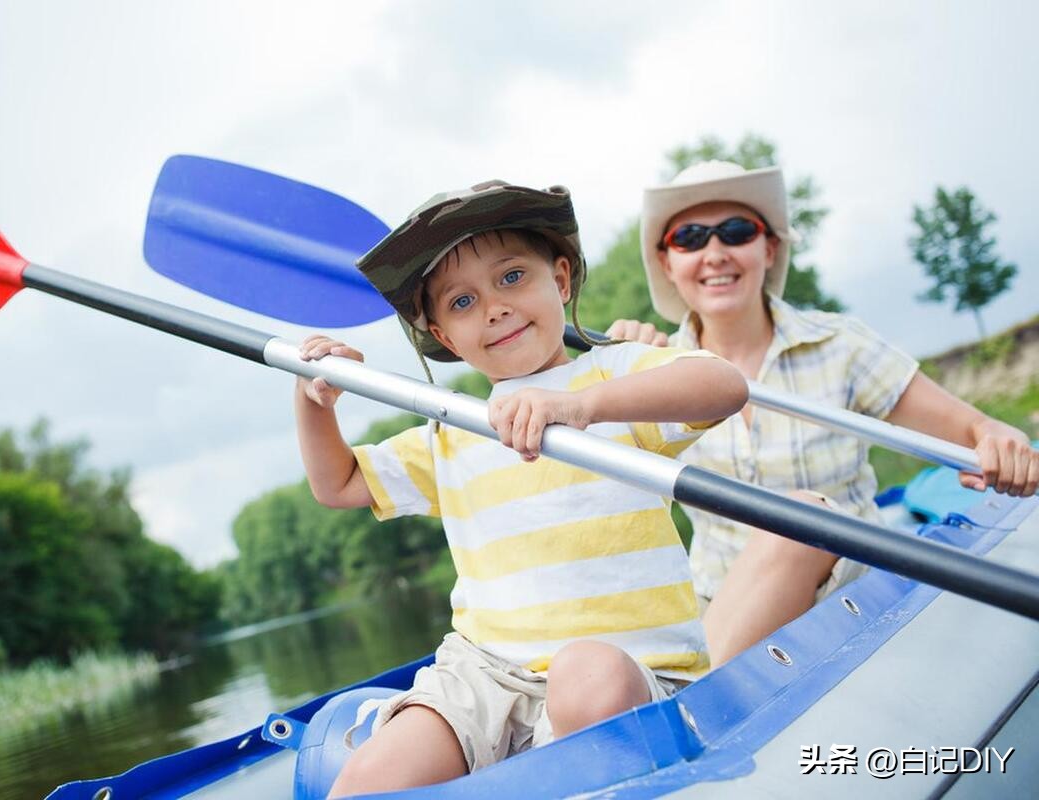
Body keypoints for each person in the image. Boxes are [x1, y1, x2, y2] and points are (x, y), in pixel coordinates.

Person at [293, 180, 749, 797]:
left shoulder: (613, 379)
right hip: (485, 672)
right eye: (461, 302)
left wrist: (583, 405)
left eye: (511, 278)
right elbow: (338, 483)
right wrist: (314, 400)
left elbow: (722, 384)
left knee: (587, 676)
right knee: (370, 779)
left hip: (627, 662)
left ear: (560, 280)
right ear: (445, 338)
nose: (494, 308)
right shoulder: (449, 426)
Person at [606, 160, 1039, 667]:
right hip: (718, 606)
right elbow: (604, 511)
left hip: (850, 598)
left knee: (800, 517)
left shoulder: (841, 345)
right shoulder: (651, 373)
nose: (716, 253)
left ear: (768, 248)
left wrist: (999, 440)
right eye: (691, 238)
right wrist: (616, 379)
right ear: (666, 263)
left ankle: (698, 706)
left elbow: (974, 430)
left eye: (737, 231)